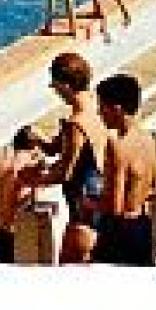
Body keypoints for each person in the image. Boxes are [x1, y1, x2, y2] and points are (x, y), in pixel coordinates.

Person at [24, 52, 109, 264]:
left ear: (66, 86)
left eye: (56, 85)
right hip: (101, 194)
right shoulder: (97, 108)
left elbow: (66, 171)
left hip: (83, 203)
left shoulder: (75, 123)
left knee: (70, 265)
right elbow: (60, 149)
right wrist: (40, 140)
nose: (55, 90)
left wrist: (33, 180)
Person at [92, 73, 156, 266]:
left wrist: (90, 204)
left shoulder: (116, 146)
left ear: (117, 109)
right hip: (142, 227)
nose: (99, 113)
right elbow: (155, 188)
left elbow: (114, 206)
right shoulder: (150, 139)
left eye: (101, 107)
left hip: (119, 232)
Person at [0, 127, 43, 263]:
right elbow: (25, 203)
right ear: (35, 146)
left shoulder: (1, 165)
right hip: (15, 237)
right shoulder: (27, 168)